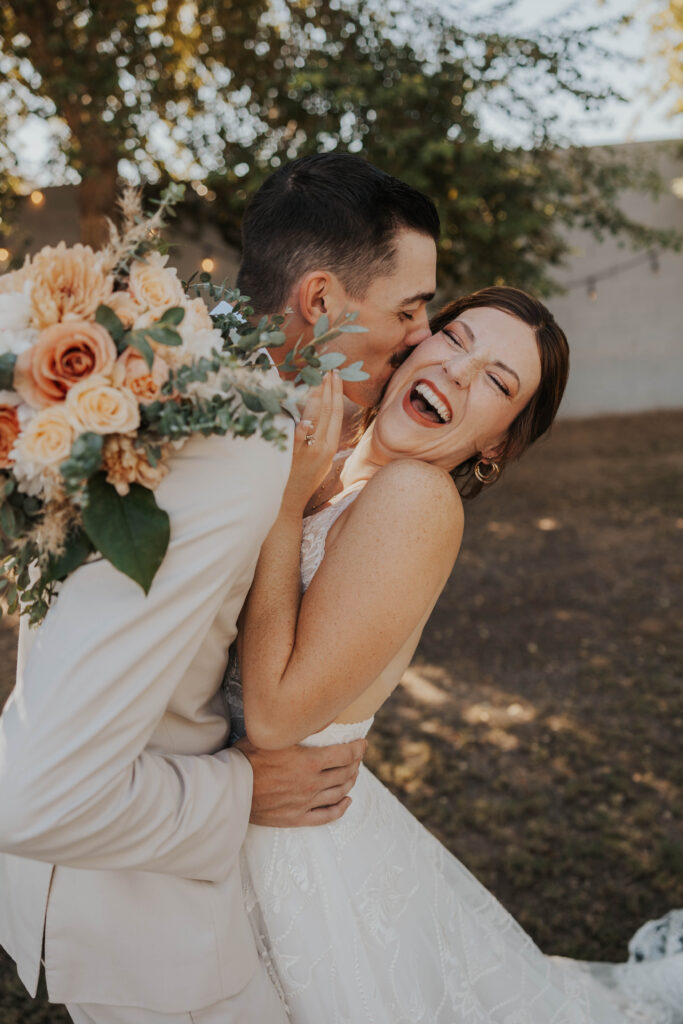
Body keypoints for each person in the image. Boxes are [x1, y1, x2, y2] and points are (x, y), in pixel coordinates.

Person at [0, 154, 439, 1024]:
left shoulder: (206, 404)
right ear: (320, 301)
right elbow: (38, 795)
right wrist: (244, 790)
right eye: (409, 309)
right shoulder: (233, 459)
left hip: (164, 904)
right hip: (143, 928)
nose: (423, 336)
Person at [233, 286, 683, 1023]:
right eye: (455, 340)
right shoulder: (334, 460)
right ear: (418, 345)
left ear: (498, 442)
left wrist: (282, 510)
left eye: (499, 382)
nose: (460, 373)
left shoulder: (416, 496)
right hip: (245, 815)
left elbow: (276, 714)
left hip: (294, 847)